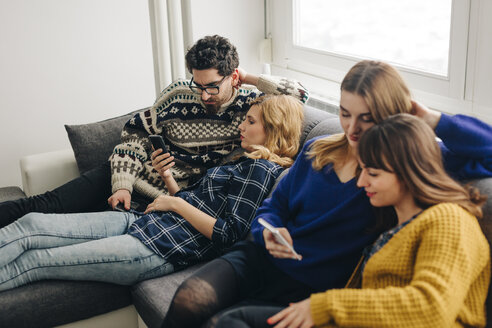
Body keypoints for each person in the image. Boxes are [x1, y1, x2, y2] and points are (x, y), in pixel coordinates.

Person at [161, 60, 492, 328]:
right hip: (262, 255)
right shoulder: (316, 150)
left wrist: (431, 119)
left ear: (393, 117)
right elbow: (272, 208)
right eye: (345, 114)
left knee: (224, 322)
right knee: (189, 299)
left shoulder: (406, 167)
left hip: (314, 283)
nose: (352, 129)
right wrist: (269, 232)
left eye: (368, 118)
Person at [0, 95, 304, 291]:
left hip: (160, 248)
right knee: (32, 224)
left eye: (251, 121)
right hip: (144, 220)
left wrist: (174, 203)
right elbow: (198, 203)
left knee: (36, 260)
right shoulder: (243, 160)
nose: (242, 124)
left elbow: (231, 235)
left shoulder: (261, 170)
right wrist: (168, 179)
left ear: (273, 130)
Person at [0, 34, 308, 228]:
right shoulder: (176, 94)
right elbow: (135, 134)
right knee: (43, 206)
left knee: (49, 227)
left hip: (164, 198)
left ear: (233, 76)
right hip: (126, 176)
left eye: (212, 86)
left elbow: (297, 96)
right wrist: (121, 183)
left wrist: (252, 78)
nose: (203, 95)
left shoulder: (250, 110)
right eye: (197, 85)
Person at [213, 114, 490, 328]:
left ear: (408, 172)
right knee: (232, 320)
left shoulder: (449, 220)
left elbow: (432, 309)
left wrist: (324, 306)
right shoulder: (393, 224)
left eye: (373, 173)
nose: (360, 181)